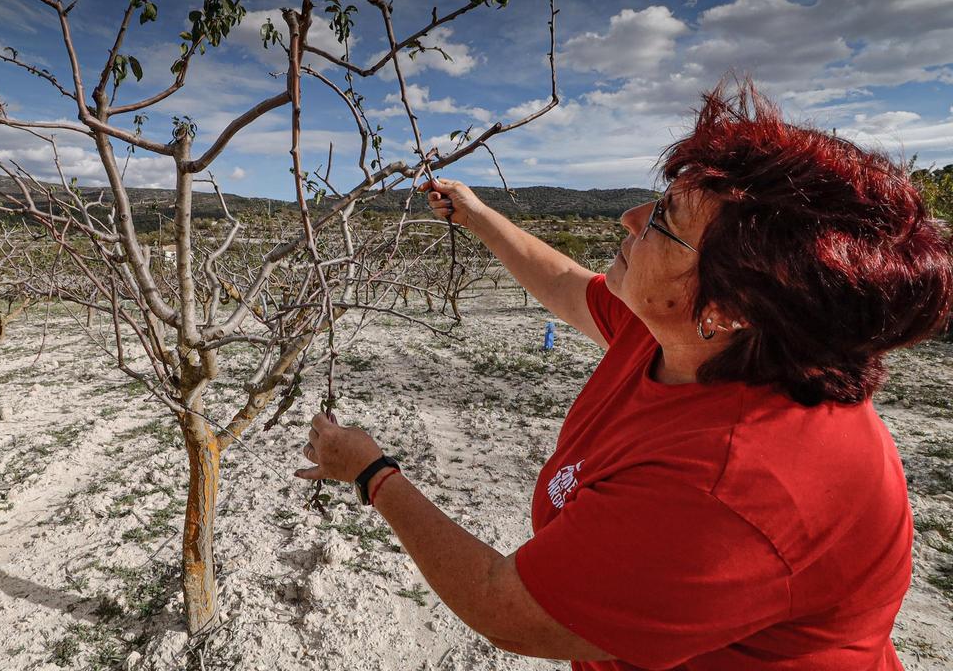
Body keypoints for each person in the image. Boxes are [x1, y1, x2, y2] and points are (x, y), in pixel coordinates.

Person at [294, 81, 953, 670]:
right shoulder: (686, 331)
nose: (630, 218)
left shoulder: (732, 486)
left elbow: (506, 609)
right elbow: (565, 286)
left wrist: (372, 473)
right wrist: (475, 213)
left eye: (663, 220)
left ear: (729, 307)